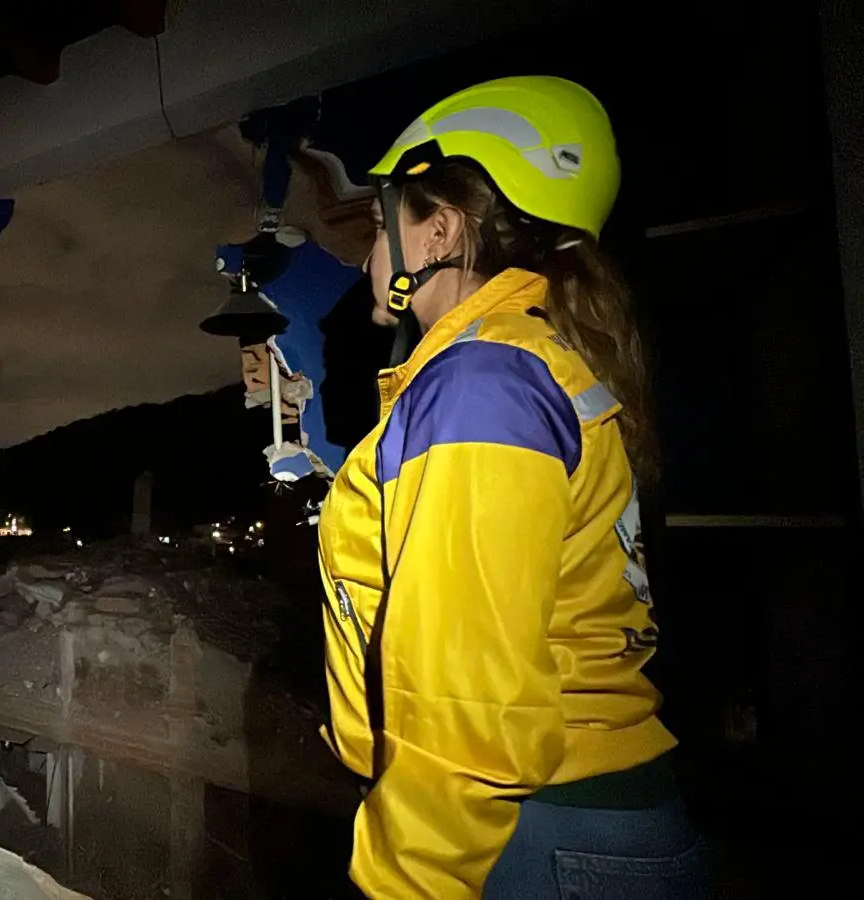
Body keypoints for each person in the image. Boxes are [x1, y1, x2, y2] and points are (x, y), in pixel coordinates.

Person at [316, 78, 708, 898]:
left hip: (528, 832)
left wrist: (404, 882)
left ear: (441, 229)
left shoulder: (480, 383)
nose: (366, 254)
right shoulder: (526, 363)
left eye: (381, 225)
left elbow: (462, 695)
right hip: (576, 820)